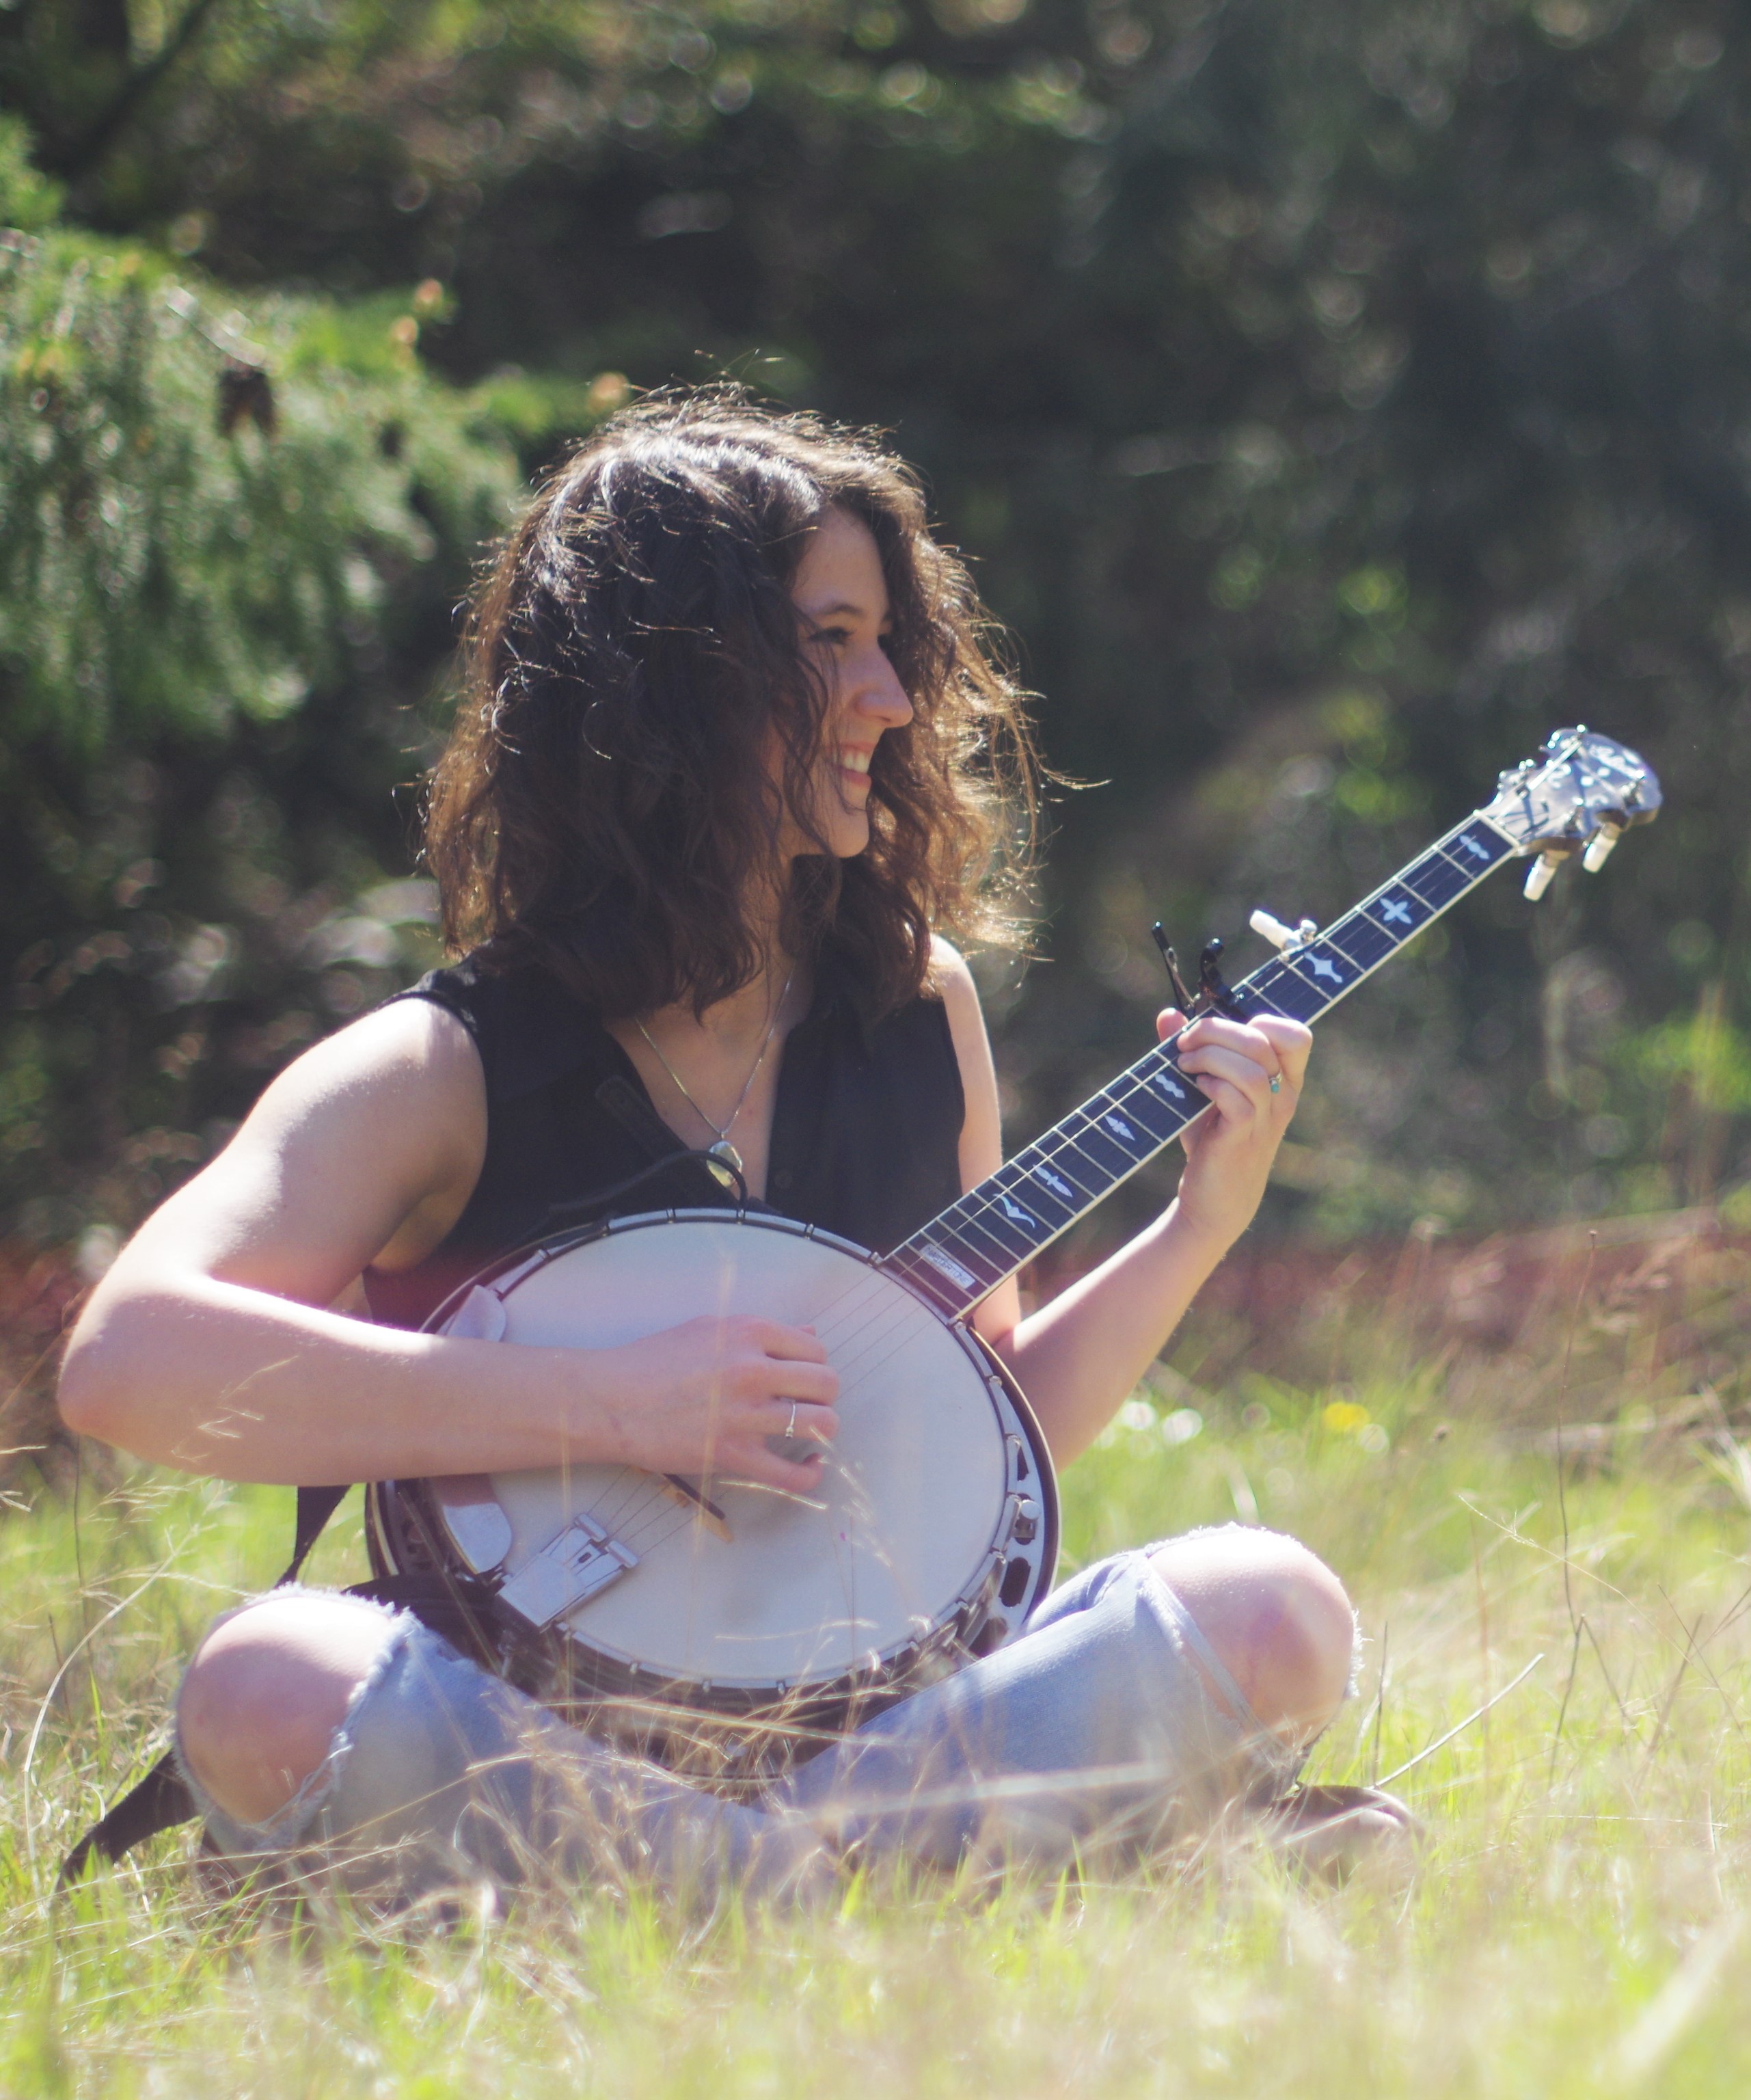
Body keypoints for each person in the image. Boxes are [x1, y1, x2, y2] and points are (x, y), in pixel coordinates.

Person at [57, 395, 1404, 1900]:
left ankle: (728, 1890)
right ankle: (897, 1889)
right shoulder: (444, 1068)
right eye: (829, 639)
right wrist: (610, 1406)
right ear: (666, 685)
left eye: (889, 640)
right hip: (535, 1730)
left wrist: (1195, 1229)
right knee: (270, 1682)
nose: (889, 694)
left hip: (876, 1726)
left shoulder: (917, 1006)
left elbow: (984, 1421)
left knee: (1275, 1607)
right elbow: (126, 1366)